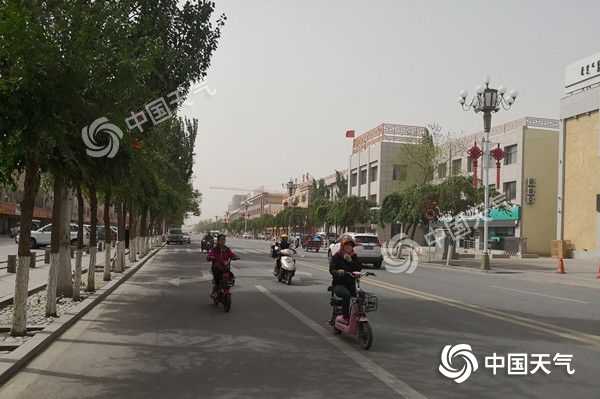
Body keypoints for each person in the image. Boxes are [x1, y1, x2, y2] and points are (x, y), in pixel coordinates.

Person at [329, 236, 361, 324]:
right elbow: (332, 269)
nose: (349, 248)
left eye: (351, 246)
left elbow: (358, 268)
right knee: (346, 295)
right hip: (339, 284)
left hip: (351, 284)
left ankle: (358, 314)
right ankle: (344, 316)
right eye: (347, 246)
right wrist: (338, 272)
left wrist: (351, 261)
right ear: (343, 246)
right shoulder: (337, 256)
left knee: (361, 295)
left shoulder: (353, 256)